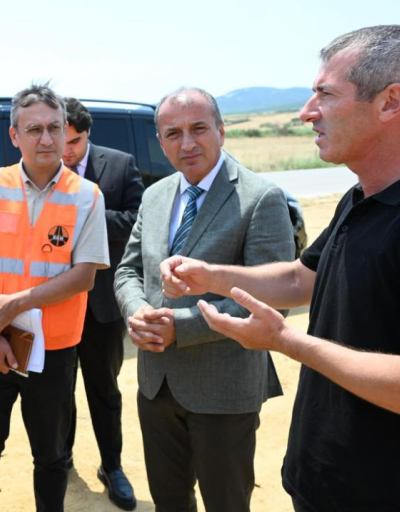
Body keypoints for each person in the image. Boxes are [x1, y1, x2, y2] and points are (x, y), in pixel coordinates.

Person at [162, 25, 400, 512]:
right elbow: (301, 278)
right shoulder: (365, 195)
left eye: (325, 94)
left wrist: (285, 341)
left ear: (390, 103)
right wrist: (213, 275)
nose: (308, 112)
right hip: (326, 484)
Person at [114, 88, 293, 511]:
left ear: (221, 130)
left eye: (198, 129)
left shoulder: (260, 197)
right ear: (160, 142)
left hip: (224, 388)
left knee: (225, 502)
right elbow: (128, 270)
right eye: (173, 133)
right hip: (156, 384)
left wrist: (182, 327)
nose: (187, 143)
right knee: (169, 501)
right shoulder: (156, 195)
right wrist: (138, 311)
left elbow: (271, 300)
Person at [0, 83, 109, 512]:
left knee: (51, 457)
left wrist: (16, 303)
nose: (46, 139)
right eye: (34, 129)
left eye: (54, 128)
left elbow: (84, 276)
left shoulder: (87, 195)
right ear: (15, 135)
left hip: (54, 350)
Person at [60, 97, 144, 510]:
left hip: (102, 305)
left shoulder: (120, 164)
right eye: (60, 140)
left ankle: (112, 467)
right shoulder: (40, 169)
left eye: (73, 142)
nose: (65, 151)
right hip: (53, 302)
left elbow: (136, 220)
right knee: (57, 391)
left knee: (104, 390)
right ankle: (60, 460)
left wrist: (88, 215)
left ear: (87, 134)